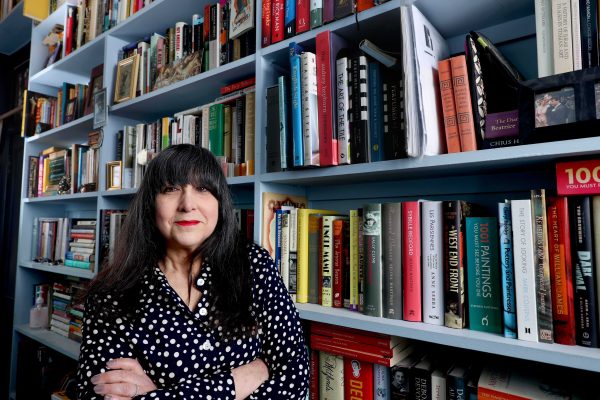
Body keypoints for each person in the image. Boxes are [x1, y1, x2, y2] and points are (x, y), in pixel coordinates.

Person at [76, 144, 309, 399]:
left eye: (203, 188)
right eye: (171, 189)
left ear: (219, 203)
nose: (188, 204)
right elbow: (97, 395)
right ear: (150, 205)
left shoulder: (253, 265)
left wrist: (159, 393)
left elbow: (295, 379)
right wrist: (239, 381)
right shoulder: (111, 294)